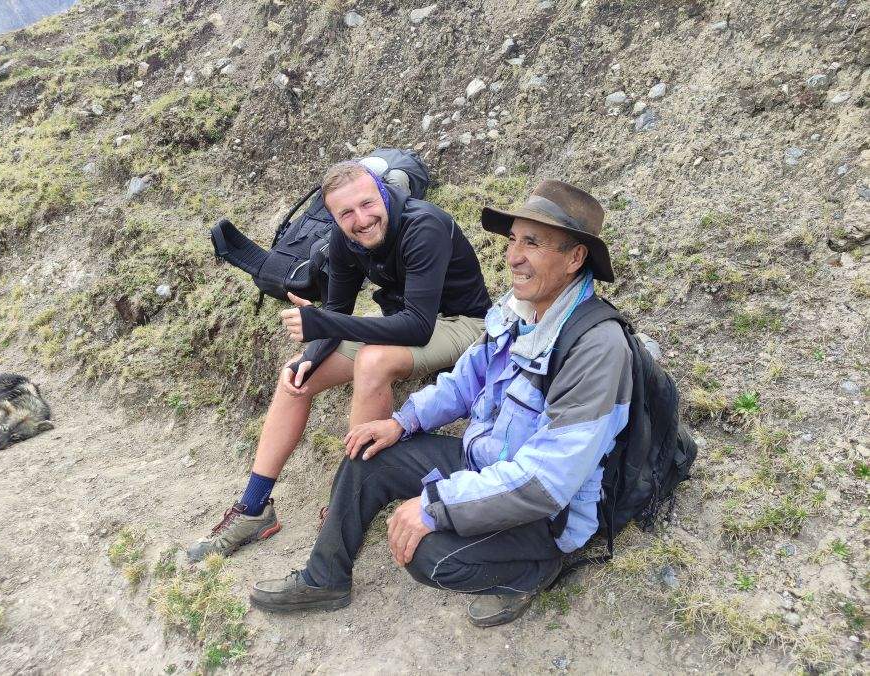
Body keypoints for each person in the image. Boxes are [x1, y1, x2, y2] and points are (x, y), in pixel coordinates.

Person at [248, 179, 633, 628]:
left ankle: (537, 570)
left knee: (430, 555)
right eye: (513, 240)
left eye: (533, 242)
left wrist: (435, 505)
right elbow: (465, 381)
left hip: (546, 515)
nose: (513, 257)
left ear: (575, 257)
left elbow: (543, 485)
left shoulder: (597, 348)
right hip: (484, 465)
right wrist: (401, 422)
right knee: (368, 449)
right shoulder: (520, 306)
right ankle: (324, 579)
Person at [188, 160, 492, 562]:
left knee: (371, 361)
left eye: (367, 204)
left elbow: (417, 326)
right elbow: (337, 309)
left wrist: (323, 322)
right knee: (294, 377)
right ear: (332, 216)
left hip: (462, 324)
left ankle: (347, 504)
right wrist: (311, 353)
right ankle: (254, 506)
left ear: (383, 194)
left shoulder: (424, 226)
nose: (361, 220)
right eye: (346, 213)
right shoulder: (344, 239)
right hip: (402, 322)